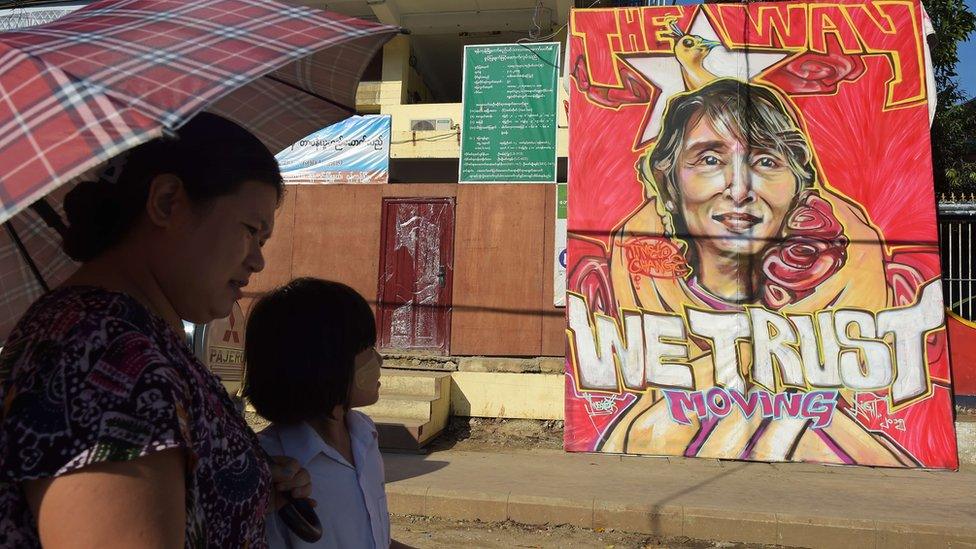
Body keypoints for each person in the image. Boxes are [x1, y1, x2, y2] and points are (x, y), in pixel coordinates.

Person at [0, 113, 312, 547]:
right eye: (251, 231)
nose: (258, 261)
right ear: (167, 202)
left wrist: (239, 488)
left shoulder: (128, 334)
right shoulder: (104, 355)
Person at [598, 78, 914, 465]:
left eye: (765, 161)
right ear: (668, 184)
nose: (739, 188)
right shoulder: (640, 293)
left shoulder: (841, 301)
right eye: (710, 159)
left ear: (799, 188)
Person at [245, 278, 413, 549]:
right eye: (366, 348)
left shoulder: (364, 434)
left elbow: (370, 537)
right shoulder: (273, 469)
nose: (378, 360)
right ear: (326, 362)